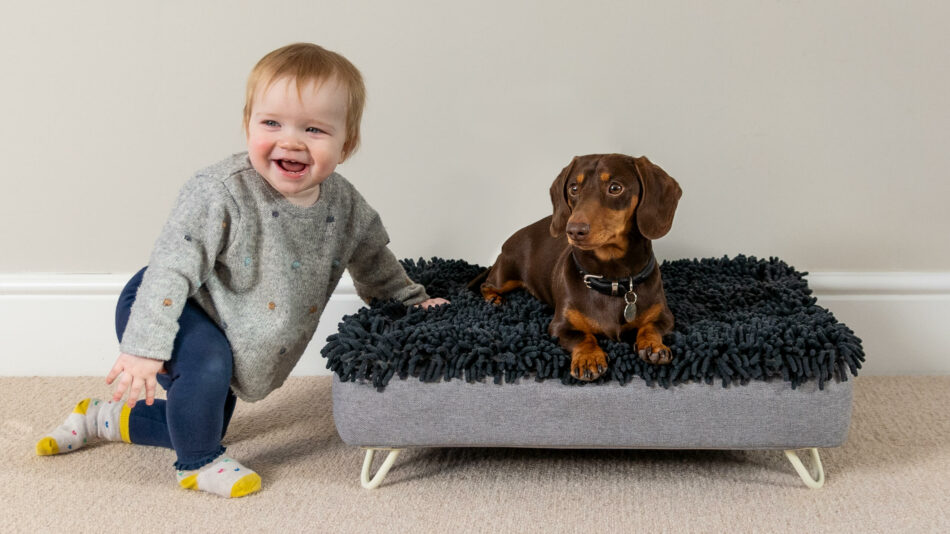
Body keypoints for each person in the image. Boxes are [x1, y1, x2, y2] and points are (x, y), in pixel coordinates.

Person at [35, 43, 448, 498]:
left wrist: (411, 302)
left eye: (313, 129)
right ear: (247, 124)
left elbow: (375, 263)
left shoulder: (347, 208)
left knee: (200, 418)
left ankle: (100, 417)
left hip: (237, 322)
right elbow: (172, 267)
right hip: (173, 303)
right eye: (271, 123)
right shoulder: (220, 193)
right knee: (206, 372)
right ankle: (197, 465)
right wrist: (146, 347)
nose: (290, 141)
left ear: (345, 144)